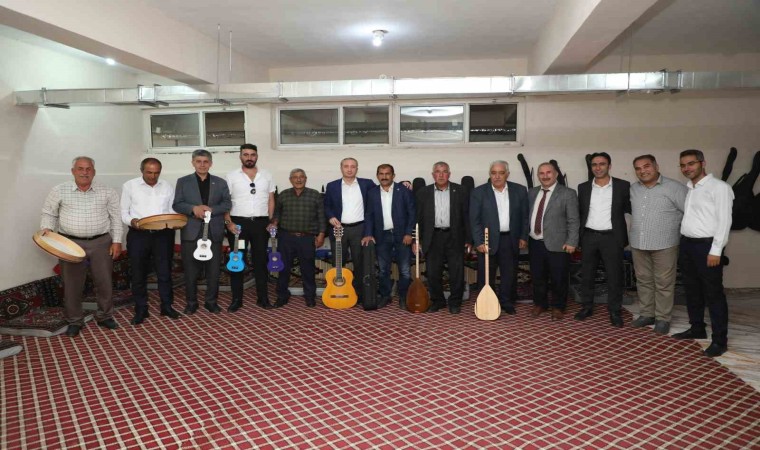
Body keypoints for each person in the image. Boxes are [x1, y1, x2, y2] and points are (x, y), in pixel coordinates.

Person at [40, 156, 123, 337]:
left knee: (104, 282)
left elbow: (116, 218)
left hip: (101, 242)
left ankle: (105, 315)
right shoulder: (59, 190)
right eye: (80, 168)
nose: (84, 172)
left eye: (88, 169)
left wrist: (117, 241)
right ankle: (74, 320)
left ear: (94, 171)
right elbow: (49, 214)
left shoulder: (107, 191)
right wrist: (47, 230)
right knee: (72, 284)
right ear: (73, 171)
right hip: (69, 244)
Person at [673, 149, 734, 357]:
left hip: (707, 247)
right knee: (692, 290)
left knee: (713, 293)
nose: (686, 168)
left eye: (691, 163)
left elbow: (724, 221)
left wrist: (716, 250)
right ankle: (697, 327)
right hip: (687, 244)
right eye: (683, 165)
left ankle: (720, 340)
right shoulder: (690, 187)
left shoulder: (719, 187)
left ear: (702, 163)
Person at [629, 155, 687, 334]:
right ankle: (647, 314)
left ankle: (663, 318)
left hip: (665, 244)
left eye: (646, 166)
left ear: (656, 166)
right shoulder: (633, 189)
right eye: (638, 168)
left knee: (664, 283)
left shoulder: (675, 188)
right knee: (643, 281)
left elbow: (690, 214)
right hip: (639, 243)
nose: (642, 171)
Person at [121, 157, 181, 325]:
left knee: (164, 272)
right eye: (149, 172)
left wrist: (175, 221)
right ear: (142, 171)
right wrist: (132, 221)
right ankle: (141, 309)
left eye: (156, 173)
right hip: (139, 235)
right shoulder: (130, 186)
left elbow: (171, 210)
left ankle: (166, 306)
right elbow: (124, 212)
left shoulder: (167, 186)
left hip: (163, 235)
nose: (153, 176)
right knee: (138, 272)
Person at [575, 152, 631, 327]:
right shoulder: (583, 187)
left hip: (612, 237)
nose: (598, 168)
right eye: (594, 164)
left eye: (602, 164)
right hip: (589, 236)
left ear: (609, 166)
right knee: (587, 275)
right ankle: (586, 307)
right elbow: (580, 213)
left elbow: (629, 210)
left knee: (614, 276)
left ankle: (614, 310)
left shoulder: (623, 186)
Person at [173, 149, 231, 314]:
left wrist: (211, 210)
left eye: (206, 162)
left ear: (211, 163)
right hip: (191, 231)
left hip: (214, 231)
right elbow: (177, 204)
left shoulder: (220, 182)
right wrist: (193, 209)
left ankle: (211, 302)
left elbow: (227, 204)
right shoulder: (183, 182)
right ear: (193, 163)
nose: (202, 165)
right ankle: (191, 303)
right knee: (191, 270)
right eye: (198, 161)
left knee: (213, 270)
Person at [469, 160, 529, 315]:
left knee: (509, 274)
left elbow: (525, 217)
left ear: (507, 174)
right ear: (489, 174)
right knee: (485, 275)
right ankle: (488, 302)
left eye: (501, 173)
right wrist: (479, 242)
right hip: (487, 241)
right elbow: (474, 220)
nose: (497, 176)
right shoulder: (478, 192)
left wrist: (523, 236)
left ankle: (506, 302)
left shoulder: (520, 190)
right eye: (493, 173)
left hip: (510, 239)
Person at [224, 144, 276, 311]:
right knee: (237, 261)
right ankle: (236, 300)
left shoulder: (267, 175)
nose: (249, 157)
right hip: (238, 226)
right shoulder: (231, 176)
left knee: (261, 261)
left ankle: (263, 299)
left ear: (257, 156)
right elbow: (225, 201)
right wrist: (229, 223)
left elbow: (271, 200)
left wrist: (270, 221)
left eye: (252, 154)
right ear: (240, 156)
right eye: (245, 154)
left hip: (261, 225)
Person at [415, 162, 472, 314]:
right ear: (433, 174)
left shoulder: (461, 191)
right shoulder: (423, 192)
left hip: (455, 236)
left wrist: (469, 239)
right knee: (433, 272)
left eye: (444, 171)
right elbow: (418, 218)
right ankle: (437, 301)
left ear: (449, 174)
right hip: (433, 237)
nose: (441, 175)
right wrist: (417, 240)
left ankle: (455, 302)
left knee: (456, 272)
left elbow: (467, 216)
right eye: (437, 171)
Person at [528, 162, 579, 321]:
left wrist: (572, 241)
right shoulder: (532, 192)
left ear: (556, 174)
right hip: (535, 242)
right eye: (541, 173)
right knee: (537, 276)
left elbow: (573, 220)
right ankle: (540, 304)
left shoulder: (568, 193)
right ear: (538, 176)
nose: (545, 176)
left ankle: (558, 307)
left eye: (548, 172)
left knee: (559, 277)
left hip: (559, 243)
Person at [362, 164, 416, 309]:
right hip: (381, 236)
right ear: (377, 175)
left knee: (405, 270)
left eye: (387, 174)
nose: (384, 176)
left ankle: (404, 297)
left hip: (402, 236)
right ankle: (385, 296)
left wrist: (409, 233)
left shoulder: (403, 191)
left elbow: (412, 213)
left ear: (393, 175)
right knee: (383, 269)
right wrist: (368, 233)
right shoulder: (372, 193)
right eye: (381, 174)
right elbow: (369, 215)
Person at [271, 169, 326, 307]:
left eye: (301, 177)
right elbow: (277, 214)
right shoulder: (283, 195)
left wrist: (321, 235)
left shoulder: (315, 195)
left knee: (308, 269)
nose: (298, 179)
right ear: (290, 180)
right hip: (286, 237)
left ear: (306, 179)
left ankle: (310, 296)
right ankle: (282, 295)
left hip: (307, 238)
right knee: (283, 268)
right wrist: (274, 223)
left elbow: (321, 217)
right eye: (295, 177)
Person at [324, 158, 375, 303]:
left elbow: (382, 191)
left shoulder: (367, 184)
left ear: (357, 169)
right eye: (346, 166)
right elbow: (326, 205)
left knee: (360, 263)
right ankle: (338, 291)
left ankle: (358, 294)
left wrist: (405, 183)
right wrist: (330, 216)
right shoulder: (332, 186)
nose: (349, 169)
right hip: (338, 230)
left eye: (353, 166)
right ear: (341, 168)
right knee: (338, 262)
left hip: (359, 229)